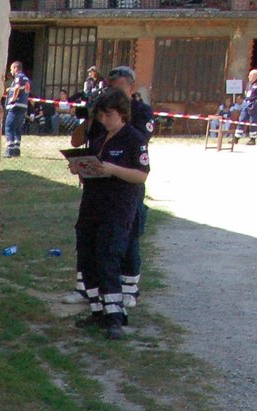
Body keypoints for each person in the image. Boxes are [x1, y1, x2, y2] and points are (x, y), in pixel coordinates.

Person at [65, 66, 154, 312]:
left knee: (125, 239)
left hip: (123, 194)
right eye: (110, 86)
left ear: (131, 87)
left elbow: (138, 151)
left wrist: (111, 166)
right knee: (89, 243)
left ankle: (128, 289)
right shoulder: (101, 113)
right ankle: (89, 292)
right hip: (96, 193)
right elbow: (79, 141)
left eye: (118, 86)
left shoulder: (139, 113)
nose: (112, 90)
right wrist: (92, 116)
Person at [3, 61, 32, 158]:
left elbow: (18, 87)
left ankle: (10, 150)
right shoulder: (26, 78)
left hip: (15, 106)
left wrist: (13, 98)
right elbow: (21, 88)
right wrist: (9, 90)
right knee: (17, 128)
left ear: (16, 68)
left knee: (9, 127)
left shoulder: (19, 77)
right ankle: (16, 149)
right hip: (23, 106)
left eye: (11, 69)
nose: (11, 72)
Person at [238, 68, 257, 144]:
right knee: (242, 119)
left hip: (255, 104)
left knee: (253, 121)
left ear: (255, 75)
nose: (248, 77)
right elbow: (246, 92)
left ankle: (252, 139)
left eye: (250, 75)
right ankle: (236, 138)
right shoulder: (249, 83)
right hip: (247, 103)